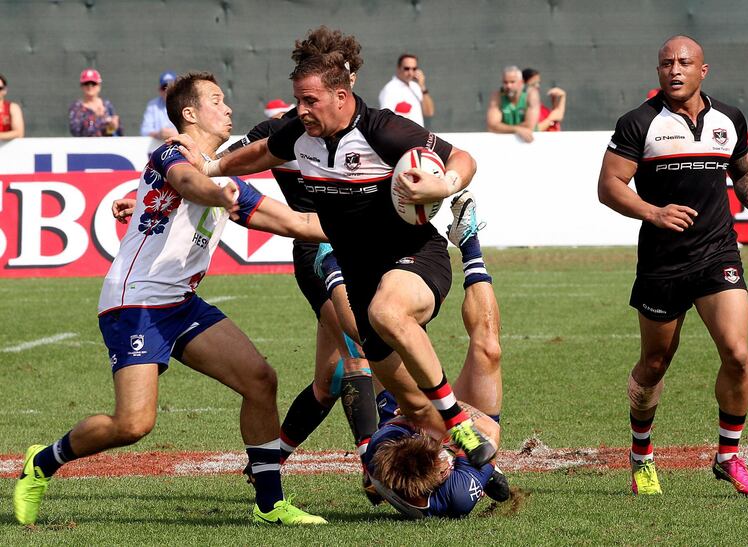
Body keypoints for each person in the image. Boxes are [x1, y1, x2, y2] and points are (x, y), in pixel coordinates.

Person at [172, 26, 497, 468]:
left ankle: (455, 421)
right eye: (299, 100)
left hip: (414, 255)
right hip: (354, 266)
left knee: (388, 315)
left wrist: (445, 183)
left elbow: (463, 159)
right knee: (401, 396)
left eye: (310, 101)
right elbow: (260, 153)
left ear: (342, 95)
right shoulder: (296, 131)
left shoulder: (383, 129)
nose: (300, 110)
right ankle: (481, 470)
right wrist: (209, 166)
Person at [14, 72, 330, 526]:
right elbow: (188, 183)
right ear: (189, 113)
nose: (227, 108)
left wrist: (369, 227)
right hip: (135, 302)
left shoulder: (227, 175)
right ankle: (42, 463)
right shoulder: (171, 154)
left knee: (260, 379)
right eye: (216, 101)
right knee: (133, 425)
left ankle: (269, 503)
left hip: (181, 302)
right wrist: (219, 192)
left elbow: (298, 224)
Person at [597, 35, 748, 496]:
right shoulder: (639, 123)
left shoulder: (729, 118)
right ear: (658, 71)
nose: (674, 70)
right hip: (662, 263)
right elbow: (609, 186)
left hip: (719, 253)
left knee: (737, 354)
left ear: (704, 70)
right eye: (665, 64)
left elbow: (743, 170)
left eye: (684, 63)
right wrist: (652, 212)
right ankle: (641, 456)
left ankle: (729, 457)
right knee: (654, 365)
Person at [221, 90, 379, 495]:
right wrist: (142, 198)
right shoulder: (276, 132)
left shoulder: (366, 126)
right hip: (318, 251)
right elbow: (217, 166)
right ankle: (373, 464)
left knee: (328, 382)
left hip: (363, 250)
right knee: (359, 354)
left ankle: (268, 464)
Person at [320, 191, 506, 517]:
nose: (447, 468)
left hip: (409, 411)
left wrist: (424, 417)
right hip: (442, 424)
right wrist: (482, 464)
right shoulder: (457, 496)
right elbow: (490, 436)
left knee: (371, 334)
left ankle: (332, 265)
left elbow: (411, 415)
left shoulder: (385, 453)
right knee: (488, 348)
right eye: (447, 467)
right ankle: (469, 242)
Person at [486, 66, 540, 143]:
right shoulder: (497, 96)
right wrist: (517, 129)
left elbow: (529, 126)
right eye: (505, 82)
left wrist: (502, 127)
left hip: (530, 141)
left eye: (512, 82)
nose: (508, 86)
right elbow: (492, 126)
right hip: (505, 142)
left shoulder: (531, 94)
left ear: (521, 82)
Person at [378, 53, 434, 127]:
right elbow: (386, 120)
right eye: (406, 68)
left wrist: (422, 86)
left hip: (417, 136)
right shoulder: (390, 89)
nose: (410, 73)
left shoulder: (416, 86)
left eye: (414, 69)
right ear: (398, 68)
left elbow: (429, 112)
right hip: (401, 137)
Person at [69, 68, 122, 137]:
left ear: (99, 86)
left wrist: (113, 125)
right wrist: (94, 118)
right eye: (86, 83)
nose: (90, 86)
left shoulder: (106, 105)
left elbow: (112, 133)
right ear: (82, 86)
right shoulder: (77, 107)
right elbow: (76, 132)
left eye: (93, 83)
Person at [140, 71, 178, 140]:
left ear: (178, 88)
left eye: (171, 86)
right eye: (164, 87)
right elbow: (144, 131)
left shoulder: (185, 103)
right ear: (159, 90)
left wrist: (178, 133)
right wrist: (158, 134)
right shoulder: (152, 105)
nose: (167, 90)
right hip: (159, 148)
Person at [0, 73, 25, 140]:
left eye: (0, 88)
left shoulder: (12, 108)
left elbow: (19, 133)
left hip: (8, 149)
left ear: (5, 90)